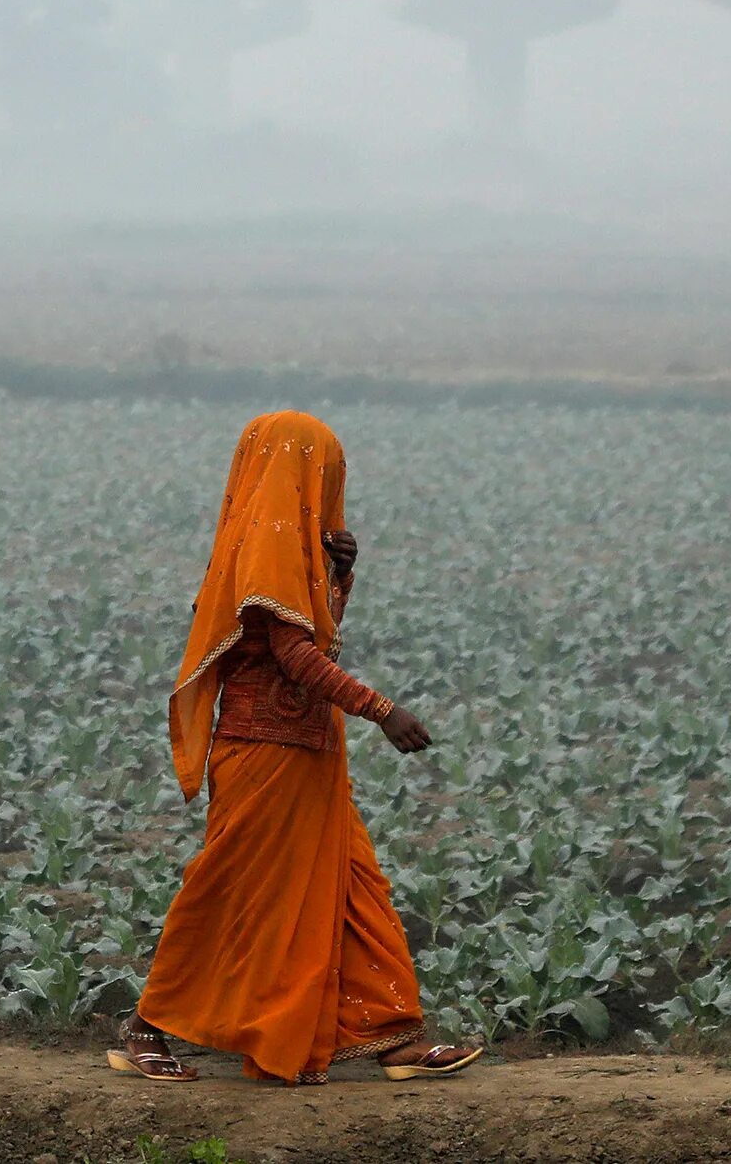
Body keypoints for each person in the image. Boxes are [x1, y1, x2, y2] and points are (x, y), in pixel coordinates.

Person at [111, 411, 484, 1086]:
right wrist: (381, 710)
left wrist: (342, 576)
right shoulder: (264, 547)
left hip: (311, 751)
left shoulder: (295, 551)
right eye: (322, 473)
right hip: (261, 750)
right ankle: (146, 1025)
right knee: (230, 888)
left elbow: (319, 629)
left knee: (353, 885)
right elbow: (294, 651)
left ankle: (391, 1034)